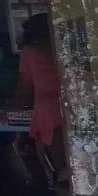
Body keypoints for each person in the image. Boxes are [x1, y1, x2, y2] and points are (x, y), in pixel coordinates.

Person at [15, 13, 64, 175]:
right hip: (69, 103)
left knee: (52, 164)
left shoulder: (29, 52)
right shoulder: (63, 47)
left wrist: (12, 109)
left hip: (47, 110)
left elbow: (25, 88)